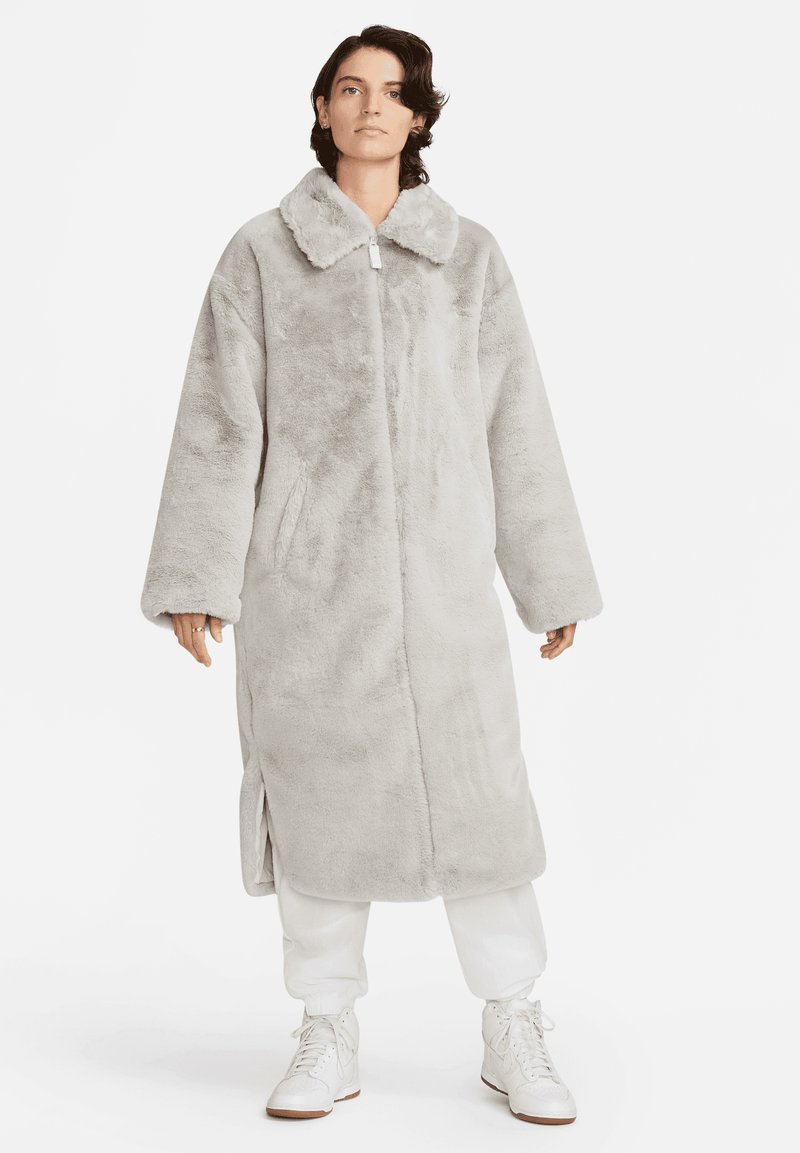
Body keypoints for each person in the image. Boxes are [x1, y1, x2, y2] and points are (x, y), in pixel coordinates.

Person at [140, 24, 603, 1126]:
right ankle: (326, 1025)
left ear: (420, 116)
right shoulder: (262, 254)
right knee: (318, 815)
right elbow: (219, 420)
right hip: (309, 593)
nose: (369, 107)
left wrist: (548, 579)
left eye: (392, 93)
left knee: (483, 812)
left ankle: (511, 1020)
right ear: (322, 107)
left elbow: (515, 421)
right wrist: (199, 573)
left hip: (445, 596)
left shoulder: (469, 257)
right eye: (349, 89)